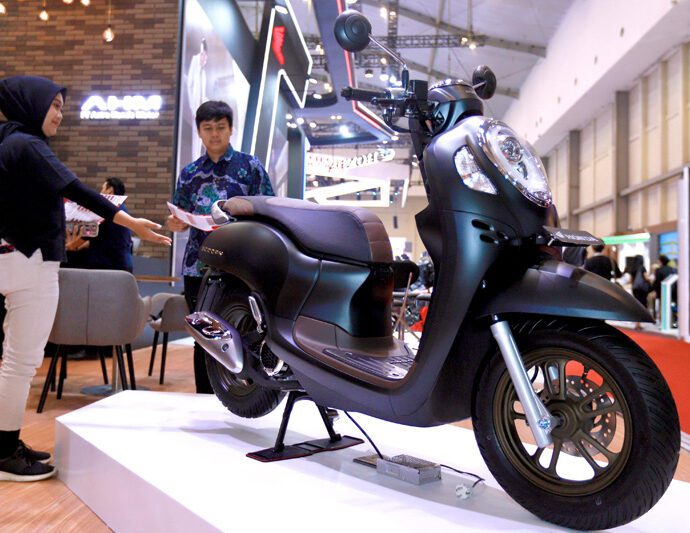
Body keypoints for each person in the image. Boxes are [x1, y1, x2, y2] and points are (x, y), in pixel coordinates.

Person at [0, 75, 171, 482]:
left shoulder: (7, 141)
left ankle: (5, 441)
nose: (61, 114)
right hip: (31, 262)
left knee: (14, 360)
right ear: (32, 104)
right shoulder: (28, 144)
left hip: (12, 256)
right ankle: (4, 451)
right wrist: (131, 221)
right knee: (21, 361)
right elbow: (78, 190)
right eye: (55, 105)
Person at [167, 100, 274, 394]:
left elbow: (268, 207)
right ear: (199, 132)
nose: (214, 134)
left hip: (242, 266)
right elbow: (179, 213)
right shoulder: (190, 173)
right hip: (198, 266)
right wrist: (175, 222)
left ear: (230, 129)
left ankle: (245, 395)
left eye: (220, 127)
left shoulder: (250, 166)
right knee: (203, 334)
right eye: (208, 128)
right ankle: (205, 397)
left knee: (245, 331)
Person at [628, 254, 651, 330]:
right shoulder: (642, 268)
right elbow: (646, 278)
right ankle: (638, 323)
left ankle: (637, 323)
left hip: (635, 289)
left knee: (636, 304)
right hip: (642, 289)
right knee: (642, 305)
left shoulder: (633, 268)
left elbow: (630, 280)